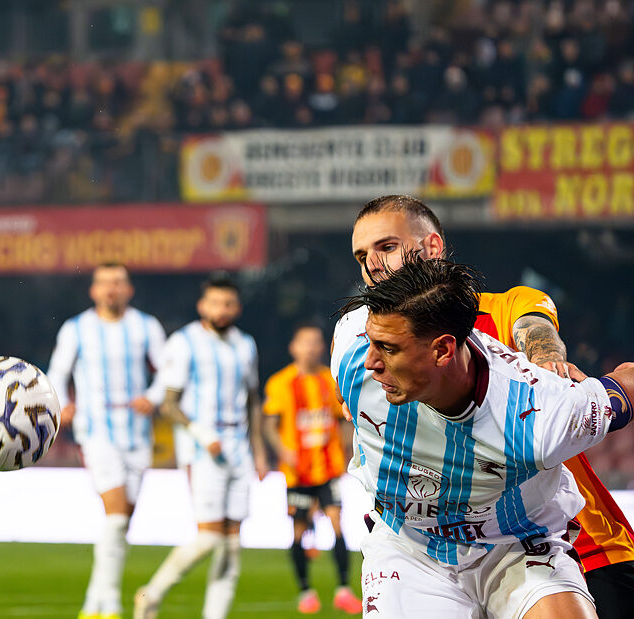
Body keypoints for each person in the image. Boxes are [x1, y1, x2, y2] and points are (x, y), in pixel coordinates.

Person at [349, 194, 634, 616]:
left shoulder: (500, 310)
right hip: (433, 548)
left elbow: (536, 331)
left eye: (387, 247)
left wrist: (546, 362)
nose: (372, 264)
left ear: (432, 247)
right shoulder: (359, 341)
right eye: (361, 256)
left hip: (568, 536)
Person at [134, 273, 268, 619]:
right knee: (209, 538)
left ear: (237, 308)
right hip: (202, 450)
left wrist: (258, 451)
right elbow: (169, 403)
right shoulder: (184, 342)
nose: (221, 309)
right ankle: (151, 593)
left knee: (232, 545)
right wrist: (201, 434)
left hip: (238, 447)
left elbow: (253, 400)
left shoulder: (246, 344)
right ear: (202, 306)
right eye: (214, 303)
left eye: (228, 303)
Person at [46, 262, 167, 619]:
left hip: (137, 434)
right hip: (96, 431)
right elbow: (57, 372)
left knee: (121, 523)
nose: (111, 289)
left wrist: (153, 397)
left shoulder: (146, 326)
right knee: (116, 519)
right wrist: (63, 404)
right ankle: (111, 603)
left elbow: (168, 371)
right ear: (94, 291)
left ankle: (93, 602)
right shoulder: (76, 328)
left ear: (129, 290)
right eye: (105, 283)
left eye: (118, 282)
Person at [262, 324, 361, 614]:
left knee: (337, 522)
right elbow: (269, 423)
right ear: (293, 347)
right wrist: (282, 451)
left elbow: (343, 419)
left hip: (328, 467)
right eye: (305, 342)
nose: (312, 348)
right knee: (299, 529)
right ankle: (305, 591)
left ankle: (343, 589)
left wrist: (348, 451)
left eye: (316, 342)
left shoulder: (330, 380)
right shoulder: (280, 383)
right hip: (298, 472)